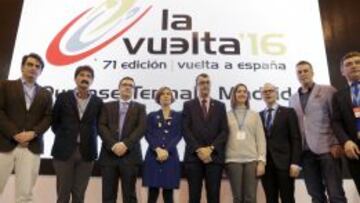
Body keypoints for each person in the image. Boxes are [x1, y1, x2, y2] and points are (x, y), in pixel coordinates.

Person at [289, 61, 347, 203]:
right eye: (299, 72)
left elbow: (337, 119)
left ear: (312, 72)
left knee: (336, 194)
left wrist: (337, 143)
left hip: (328, 149)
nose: (303, 74)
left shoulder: (328, 91)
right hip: (306, 153)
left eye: (305, 70)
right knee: (316, 196)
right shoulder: (292, 98)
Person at [0, 53, 52, 203]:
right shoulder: (5, 86)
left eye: (37, 66)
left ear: (41, 71)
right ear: (22, 67)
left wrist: (33, 133)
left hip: (32, 146)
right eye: (30, 64)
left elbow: (48, 117)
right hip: (5, 144)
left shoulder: (46, 94)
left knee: (25, 194)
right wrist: (15, 134)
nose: (33, 68)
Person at [51, 65, 103, 203]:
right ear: (75, 78)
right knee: (63, 193)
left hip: (87, 152)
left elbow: (99, 126)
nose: (85, 78)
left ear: (92, 81)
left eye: (88, 76)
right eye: (82, 75)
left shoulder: (98, 102)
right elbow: (54, 122)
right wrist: (66, 136)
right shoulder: (63, 97)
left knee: (79, 194)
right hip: (64, 150)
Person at [98, 76, 146, 203]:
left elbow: (141, 128)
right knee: (108, 195)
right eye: (124, 84)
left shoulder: (140, 107)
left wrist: (125, 144)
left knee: (129, 196)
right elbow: (101, 126)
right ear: (119, 88)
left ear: (134, 90)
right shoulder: (107, 106)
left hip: (130, 156)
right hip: (109, 155)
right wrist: (113, 145)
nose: (127, 87)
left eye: (131, 85)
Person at [182, 73, 229, 203]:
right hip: (193, 158)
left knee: (214, 197)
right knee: (194, 197)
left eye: (207, 82)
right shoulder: (188, 105)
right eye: (202, 82)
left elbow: (224, 131)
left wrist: (211, 149)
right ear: (196, 85)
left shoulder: (220, 106)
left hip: (214, 158)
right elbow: (186, 130)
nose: (205, 85)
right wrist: (199, 150)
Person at [260, 83, 302, 203]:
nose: (268, 93)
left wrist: (295, 163)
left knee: (287, 198)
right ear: (261, 96)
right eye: (265, 92)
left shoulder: (288, 112)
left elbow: (295, 138)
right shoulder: (258, 116)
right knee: (270, 199)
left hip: (285, 164)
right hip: (266, 165)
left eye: (270, 91)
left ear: (276, 93)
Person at [225, 83, 266, 203]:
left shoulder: (255, 115)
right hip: (232, 161)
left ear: (247, 95)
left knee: (250, 198)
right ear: (234, 95)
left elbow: (261, 139)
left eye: (244, 91)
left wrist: (262, 161)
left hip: (252, 161)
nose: (242, 94)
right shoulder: (226, 115)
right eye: (239, 91)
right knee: (237, 198)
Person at [143, 87, 182, 203]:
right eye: (162, 94)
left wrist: (167, 150)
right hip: (153, 155)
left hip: (171, 157)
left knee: (168, 194)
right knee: (152, 193)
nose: (165, 96)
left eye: (168, 94)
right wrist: (157, 149)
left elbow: (179, 135)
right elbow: (148, 134)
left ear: (172, 98)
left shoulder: (179, 116)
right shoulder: (151, 115)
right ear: (158, 98)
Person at [332, 51, 360, 193]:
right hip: (354, 149)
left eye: (357, 62)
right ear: (343, 71)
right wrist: (346, 141)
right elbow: (336, 122)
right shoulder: (338, 96)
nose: (354, 66)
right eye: (349, 64)